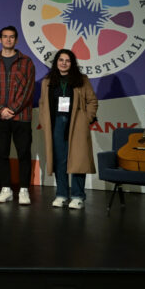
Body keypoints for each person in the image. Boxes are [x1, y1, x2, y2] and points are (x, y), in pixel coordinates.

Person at [37, 49, 98, 209]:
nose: (64, 63)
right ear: (56, 62)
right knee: (60, 160)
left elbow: (92, 101)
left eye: (67, 60)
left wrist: (86, 118)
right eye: (61, 60)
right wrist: (43, 120)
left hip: (76, 123)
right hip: (56, 123)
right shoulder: (47, 81)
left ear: (72, 63)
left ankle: (78, 196)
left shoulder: (82, 80)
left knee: (78, 160)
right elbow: (42, 102)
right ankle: (61, 194)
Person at [0, 26, 36, 205]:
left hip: (21, 116)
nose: (8, 40)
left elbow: (29, 90)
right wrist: (0, 110)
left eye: (11, 37)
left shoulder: (27, 61)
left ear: (16, 40)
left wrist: (12, 109)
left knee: (23, 153)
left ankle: (23, 190)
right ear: (0, 40)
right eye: (5, 37)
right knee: (1, 154)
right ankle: (5, 189)